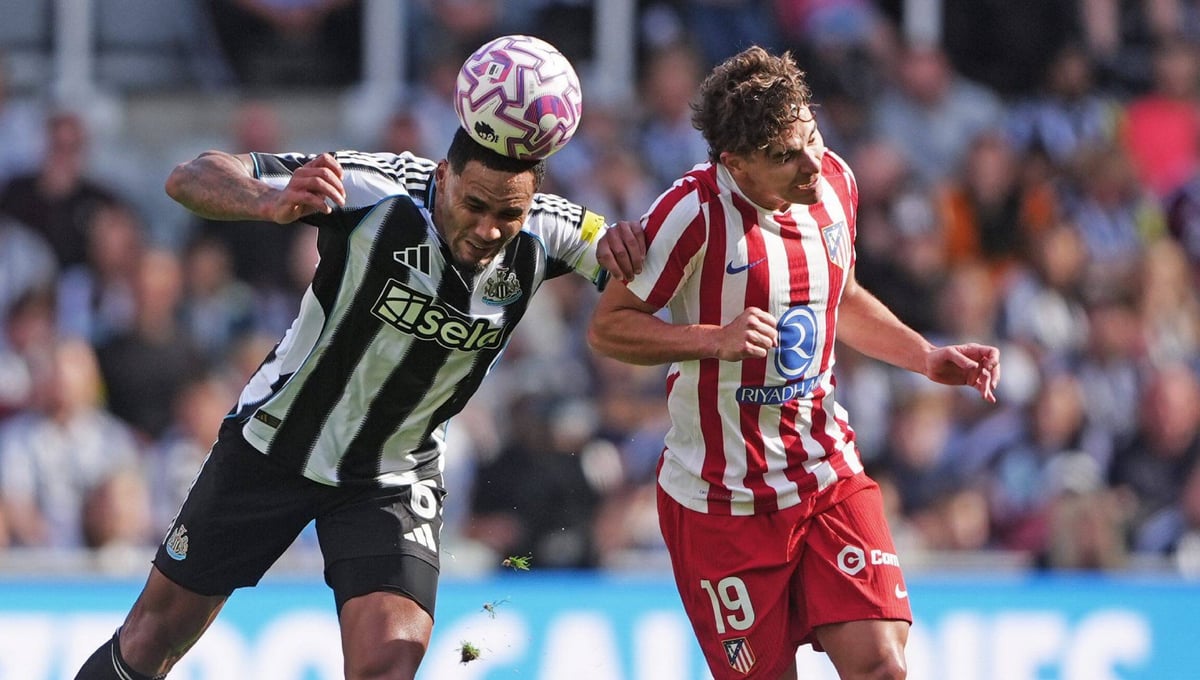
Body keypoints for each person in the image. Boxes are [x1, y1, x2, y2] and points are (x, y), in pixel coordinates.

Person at [73, 126, 645, 678]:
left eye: (508, 215)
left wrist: (653, 263)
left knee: (389, 662)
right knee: (153, 638)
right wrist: (267, 203)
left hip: (393, 474)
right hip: (276, 443)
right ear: (443, 177)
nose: (490, 230)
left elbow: (660, 263)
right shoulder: (372, 188)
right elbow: (190, 178)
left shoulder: (556, 232)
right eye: (474, 205)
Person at [587, 46, 1001, 680]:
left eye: (812, 136)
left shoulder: (835, 182)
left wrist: (924, 355)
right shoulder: (689, 215)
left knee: (883, 667)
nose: (812, 163)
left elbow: (844, 294)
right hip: (719, 501)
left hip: (823, 472)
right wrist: (710, 338)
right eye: (786, 156)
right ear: (736, 164)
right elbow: (608, 328)